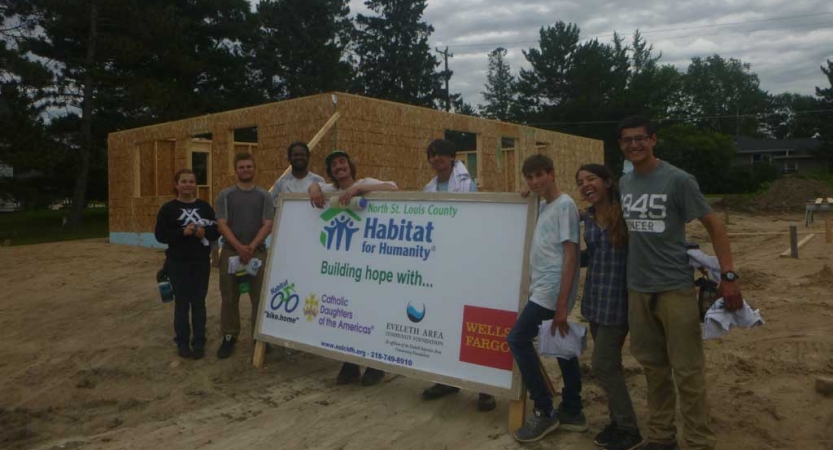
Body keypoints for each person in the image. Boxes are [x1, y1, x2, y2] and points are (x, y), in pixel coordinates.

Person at [617, 116, 743, 450]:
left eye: (640, 138)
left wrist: (728, 276)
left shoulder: (678, 180)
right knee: (653, 369)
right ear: (621, 145)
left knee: (687, 372)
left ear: (653, 140)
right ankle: (661, 438)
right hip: (638, 290)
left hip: (674, 288)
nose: (634, 145)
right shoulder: (625, 183)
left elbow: (715, 227)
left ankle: (700, 442)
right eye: (627, 140)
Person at [507, 154, 585, 443]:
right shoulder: (543, 205)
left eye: (540, 175)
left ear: (552, 173)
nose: (535, 181)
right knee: (561, 342)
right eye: (529, 177)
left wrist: (562, 304)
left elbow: (571, 255)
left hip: (552, 289)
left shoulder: (565, 205)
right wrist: (529, 195)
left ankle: (544, 409)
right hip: (542, 285)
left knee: (517, 339)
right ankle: (573, 409)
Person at [417, 139, 495, 412]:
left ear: (452, 157)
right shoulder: (429, 188)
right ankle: (447, 379)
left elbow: (471, 218)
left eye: (441, 154)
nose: (436, 159)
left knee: (473, 321)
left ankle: (486, 387)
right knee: (444, 321)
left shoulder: (466, 182)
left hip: (467, 259)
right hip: (441, 261)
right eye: (432, 155)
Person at [309, 149, 398, 386]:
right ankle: (349, 365)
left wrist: (358, 190)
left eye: (342, 162)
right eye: (334, 165)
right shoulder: (331, 191)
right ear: (331, 172)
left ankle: (375, 367)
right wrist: (314, 188)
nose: (339, 167)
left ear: (349, 165)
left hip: (368, 261)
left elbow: (394, 187)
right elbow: (313, 190)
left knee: (368, 311)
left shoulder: (365, 183)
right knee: (347, 314)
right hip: (344, 264)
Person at [576, 164, 644, 450]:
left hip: (619, 301)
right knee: (611, 365)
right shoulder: (587, 217)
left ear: (607, 181)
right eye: (580, 182)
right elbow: (592, 255)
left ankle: (630, 430)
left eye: (590, 179)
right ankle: (617, 422)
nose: (585, 185)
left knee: (602, 364)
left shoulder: (625, 213)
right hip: (595, 299)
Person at [215, 152, 276, 359]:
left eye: (249, 166)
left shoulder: (264, 196)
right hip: (232, 252)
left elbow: (268, 223)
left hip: (256, 252)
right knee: (229, 297)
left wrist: (251, 246)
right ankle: (229, 336)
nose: (245, 170)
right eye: (241, 167)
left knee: (259, 297)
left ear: (254, 169)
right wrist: (239, 247)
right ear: (235, 170)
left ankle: (259, 338)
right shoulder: (225, 195)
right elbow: (222, 223)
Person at [154, 169, 220, 359]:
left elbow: (216, 231)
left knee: (199, 303)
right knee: (182, 304)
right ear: (176, 185)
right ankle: (182, 342)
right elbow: (160, 235)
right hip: (177, 263)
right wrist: (182, 233)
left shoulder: (205, 207)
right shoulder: (168, 209)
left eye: (191, 181)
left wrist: (204, 234)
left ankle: (199, 342)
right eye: (184, 181)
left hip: (200, 263)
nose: (188, 185)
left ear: (195, 185)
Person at [269, 141, 325, 205]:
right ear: (289, 158)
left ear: (308, 157)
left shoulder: (318, 180)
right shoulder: (281, 184)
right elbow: (274, 208)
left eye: (302, 155)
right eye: (295, 155)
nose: (299, 157)